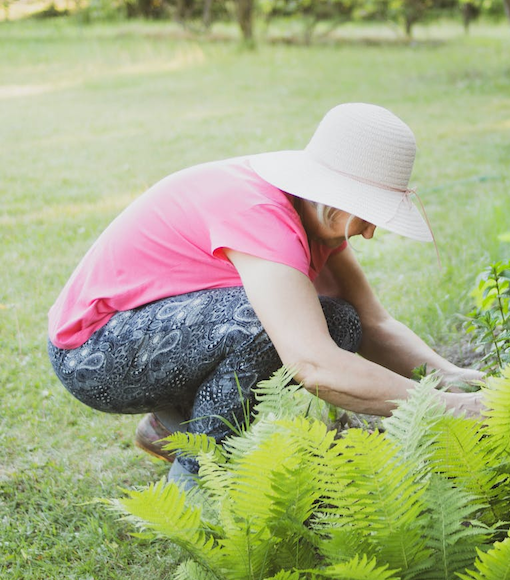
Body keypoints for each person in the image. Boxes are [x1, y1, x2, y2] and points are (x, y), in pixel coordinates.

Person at [47, 102, 484, 487]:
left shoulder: (313, 217)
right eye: (369, 213)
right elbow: (314, 364)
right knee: (262, 329)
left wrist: (461, 381)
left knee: (340, 321)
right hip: (93, 353)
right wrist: (452, 408)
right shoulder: (260, 216)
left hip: (150, 334)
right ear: (333, 198)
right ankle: (201, 478)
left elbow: (374, 323)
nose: (370, 232)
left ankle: (171, 425)